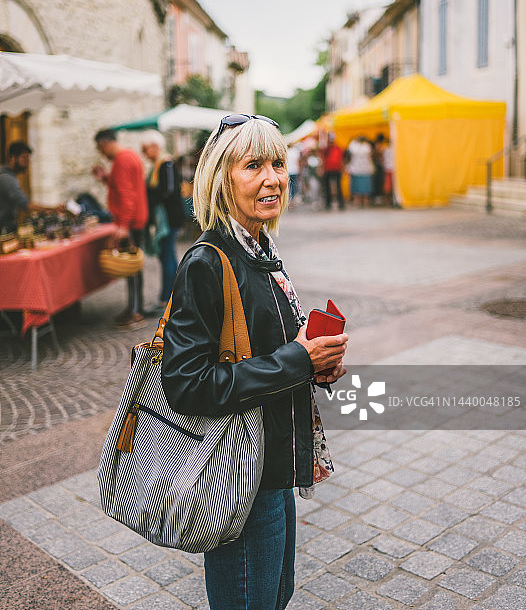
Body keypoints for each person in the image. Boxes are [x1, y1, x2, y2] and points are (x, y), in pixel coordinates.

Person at [161, 113, 347, 610]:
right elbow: (185, 384)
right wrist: (297, 359)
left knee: (274, 596)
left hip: (273, 463)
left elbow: (270, 351)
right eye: (253, 166)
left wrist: (317, 363)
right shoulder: (207, 261)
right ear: (222, 179)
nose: (273, 178)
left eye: (278, 164)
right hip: (237, 471)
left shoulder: (261, 250)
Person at [92, 129, 148, 328]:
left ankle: (136, 312)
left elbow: (127, 195)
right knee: (132, 267)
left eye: (100, 148)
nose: (101, 153)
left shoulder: (122, 160)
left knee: (131, 267)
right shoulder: (129, 155)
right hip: (134, 220)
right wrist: (105, 178)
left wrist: (123, 225)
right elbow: (123, 187)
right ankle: (134, 308)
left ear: (105, 143)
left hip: (131, 223)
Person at [140, 129, 185, 315]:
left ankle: (167, 299)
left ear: (154, 146)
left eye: (145, 149)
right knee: (168, 257)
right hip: (166, 218)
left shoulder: (165, 164)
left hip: (169, 218)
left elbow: (167, 191)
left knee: (167, 257)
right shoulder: (159, 165)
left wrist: (148, 194)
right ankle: (172, 298)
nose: (144, 153)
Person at [0, 141, 64, 233]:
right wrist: (54, 209)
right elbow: (26, 205)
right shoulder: (7, 178)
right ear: (13, 158)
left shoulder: (8, 176)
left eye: (28, 159)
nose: (27, 163)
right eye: (24, 158)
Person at [347, 136, 374, 207]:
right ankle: (364, 200)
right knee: (364, 186)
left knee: (357, 186)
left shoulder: (353, 146)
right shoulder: (367, 146)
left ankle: (358, 200)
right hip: (364, 169)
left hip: (357, 169)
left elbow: (349, 155)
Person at [322, 133, 345, 210]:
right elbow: (323, 158)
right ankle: (328, 203)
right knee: (327, 187)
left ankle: (340, 203)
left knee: (338, 186)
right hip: (328, 169)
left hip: (336, 169)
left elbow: (341, 159)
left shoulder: (337, 148)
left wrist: (342, 168)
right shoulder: (326, 149)